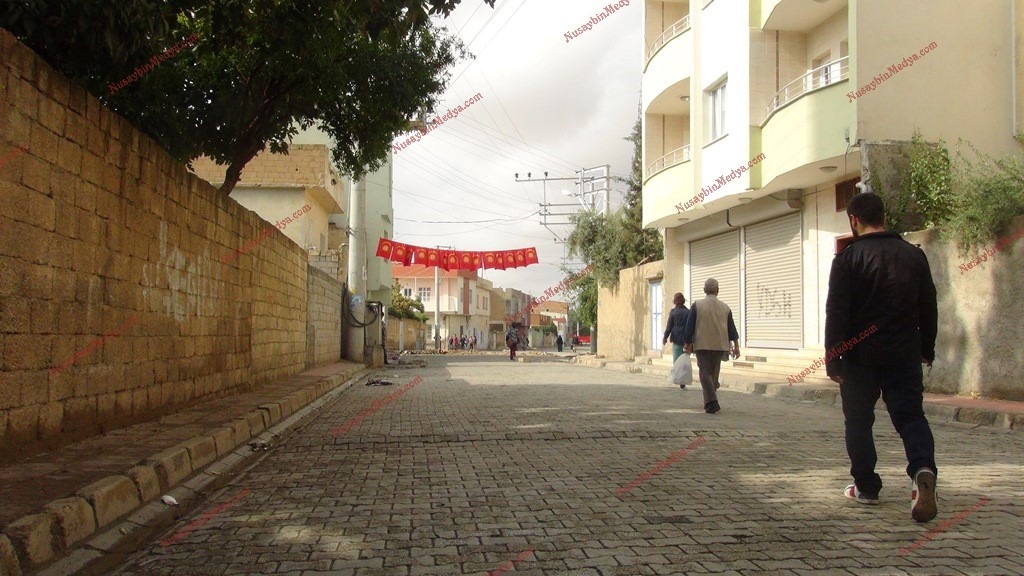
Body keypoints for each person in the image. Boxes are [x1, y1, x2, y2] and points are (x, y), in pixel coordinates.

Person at [825, 192, 938, 523]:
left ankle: (866, 487)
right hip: (904, 353)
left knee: (859, 421)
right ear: (884, 217)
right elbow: (929, 305)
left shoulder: (847, 260)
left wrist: (833, 358)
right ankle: (922, 468)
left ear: (854, 220)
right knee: (911, 417)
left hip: (859, 357)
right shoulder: (913, 255)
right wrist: (926, 348)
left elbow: (837, 312)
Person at [684, 278, 739, 414]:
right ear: (717, 290)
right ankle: (709, 402)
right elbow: (732, 329)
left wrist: (687, 342)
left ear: (704, 290)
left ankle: (711, 402)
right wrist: (736, 346)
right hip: (720, 344)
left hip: (702, 343)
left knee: (705, 374)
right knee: (714, 374)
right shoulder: (725, 307)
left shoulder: (697, 305)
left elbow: (690, 326)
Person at [662, 293, 690, 389]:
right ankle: (683, 380)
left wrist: (665, 337)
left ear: (675, 301)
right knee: (685, 361)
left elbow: (669, 326)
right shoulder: (688, 312)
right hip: (686, 339)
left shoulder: (673, 312)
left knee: (677, 360)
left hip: (676, 338)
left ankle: (678, 378)